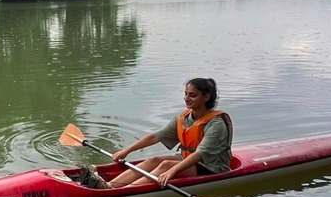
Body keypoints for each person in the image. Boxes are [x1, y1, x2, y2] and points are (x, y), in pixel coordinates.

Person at [78, 78, 233, 189]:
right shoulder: (184, 117)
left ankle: (124, 191)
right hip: (188, 160)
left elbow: (200, 154)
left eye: (193, 95)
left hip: (212, 167)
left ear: (206, 97)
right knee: (153, 160)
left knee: (165, 165)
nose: (187, 98)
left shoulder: (216, 124)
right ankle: (110, 186)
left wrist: (172, 170)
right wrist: (126, 151)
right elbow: (155, 137)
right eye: (186, 94)